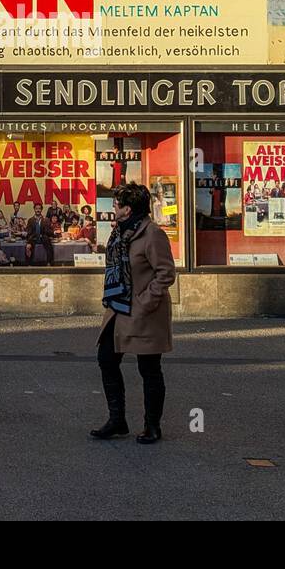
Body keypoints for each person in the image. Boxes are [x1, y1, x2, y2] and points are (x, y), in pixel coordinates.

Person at [91, 182, 176, 445]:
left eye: (117, 204)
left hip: (144, 311)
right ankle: (117, 419)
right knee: (106, 358)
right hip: (118, 307)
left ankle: (152, 426)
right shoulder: (120, 232)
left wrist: (145, 301)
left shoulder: (152, 234)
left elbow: (166, 273)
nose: (113, 207)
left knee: (149, 368)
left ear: (128, 209)